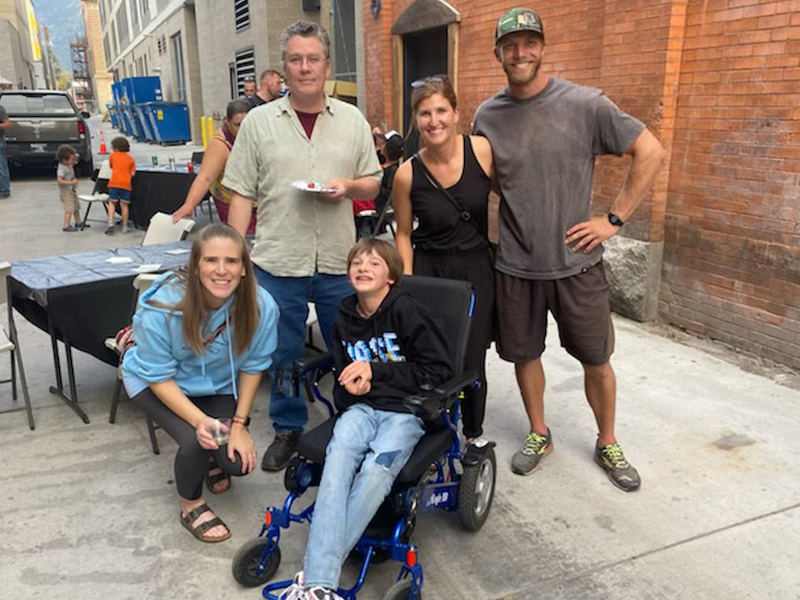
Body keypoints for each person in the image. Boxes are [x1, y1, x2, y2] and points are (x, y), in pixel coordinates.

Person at [472, 7, 665, 490]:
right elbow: (491, 179)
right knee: (523, 354)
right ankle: (540, 432)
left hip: (577, 264)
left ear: (542, 47)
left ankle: (607, 440)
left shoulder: (585, 104)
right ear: (498, 53)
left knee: (596, 358)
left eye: (528, 43)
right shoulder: (487, 115)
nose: (520, 52)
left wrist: (613, 219)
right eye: (510, 45)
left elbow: (651, 150)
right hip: (516, 264)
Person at [221, 20, 382, 473]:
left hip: (338, 262)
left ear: (327, 66)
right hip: (277, 259)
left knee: (349, 347)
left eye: (313, 59)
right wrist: (235, 259)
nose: (305, 67)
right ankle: (289, 428)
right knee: (283, 352)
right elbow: (241, 194)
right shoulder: (257, 123)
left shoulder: (351, 120)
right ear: (284, 67)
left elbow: (374, 178)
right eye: (296, 59)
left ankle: (353, 421)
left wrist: (349, 186)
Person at [279, 238, 452, 600]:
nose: (363, 268)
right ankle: (321, 586)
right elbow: (343, 375)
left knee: (376, 470)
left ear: (390, 276)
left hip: (405, 411)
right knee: (337, 465)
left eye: (374, 263)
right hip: (360, 409)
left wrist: (376, 372)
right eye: (357, 262)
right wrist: (350, 390)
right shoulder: (344, 315)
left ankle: (315, 579)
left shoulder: (407, 312)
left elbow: (437, 371)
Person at [122, 223, 279, 543]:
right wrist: (202, 422)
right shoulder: (162, 305)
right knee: (195, 440)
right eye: (211, 260)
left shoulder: (261, 306)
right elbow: (158, 375)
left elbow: (253, 367)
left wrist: (239, 424)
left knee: (237, 463)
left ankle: (212, 461)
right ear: (195, 266)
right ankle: (191, 504)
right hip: (157, 383)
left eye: (232, 261)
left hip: (215, 385)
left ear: (245, 268)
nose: (222, 270)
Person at [393, 76, 495, 446]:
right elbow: (403, 233)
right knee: (429, 351)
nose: (433, 120)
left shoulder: (482, 151)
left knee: (471, 358)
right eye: (424, 113)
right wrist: (405, 286)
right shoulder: (407, 173)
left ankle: (472, 433)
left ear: (456, 113)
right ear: (416, 120)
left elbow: (513, 194)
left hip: (475, 270)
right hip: (430, 271)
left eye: (440, 111)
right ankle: (432, 427)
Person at [172, 99, 251, 226]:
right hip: (232, 205)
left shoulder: (254, 133)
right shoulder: (220, 144)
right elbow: (205, 177)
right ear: (227, 121)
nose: (242, 129)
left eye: (246, 124)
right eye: (237, 125)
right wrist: (189, 205)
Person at [105, 136, 136, 234]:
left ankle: (110, 223)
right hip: (126, 184)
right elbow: (133, 174)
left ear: (115, 147)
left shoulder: (113, 156)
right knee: (124, 205)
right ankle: (125, 226)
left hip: (114, 183)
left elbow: (111, 166)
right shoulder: (131, 159)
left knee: (112, 203)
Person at [55, 145, 83, 232]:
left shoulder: (69, 164)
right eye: (72, 160)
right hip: (66, 192)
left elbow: (76, 156)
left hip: (72, 190)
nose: (73, 162)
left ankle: (78, 222)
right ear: (64, 160)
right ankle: (66, 225)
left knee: (76, 206)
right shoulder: (62, 168)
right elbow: (59, 180)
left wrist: (75, 156)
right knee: (69, 208)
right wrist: (71, 183)